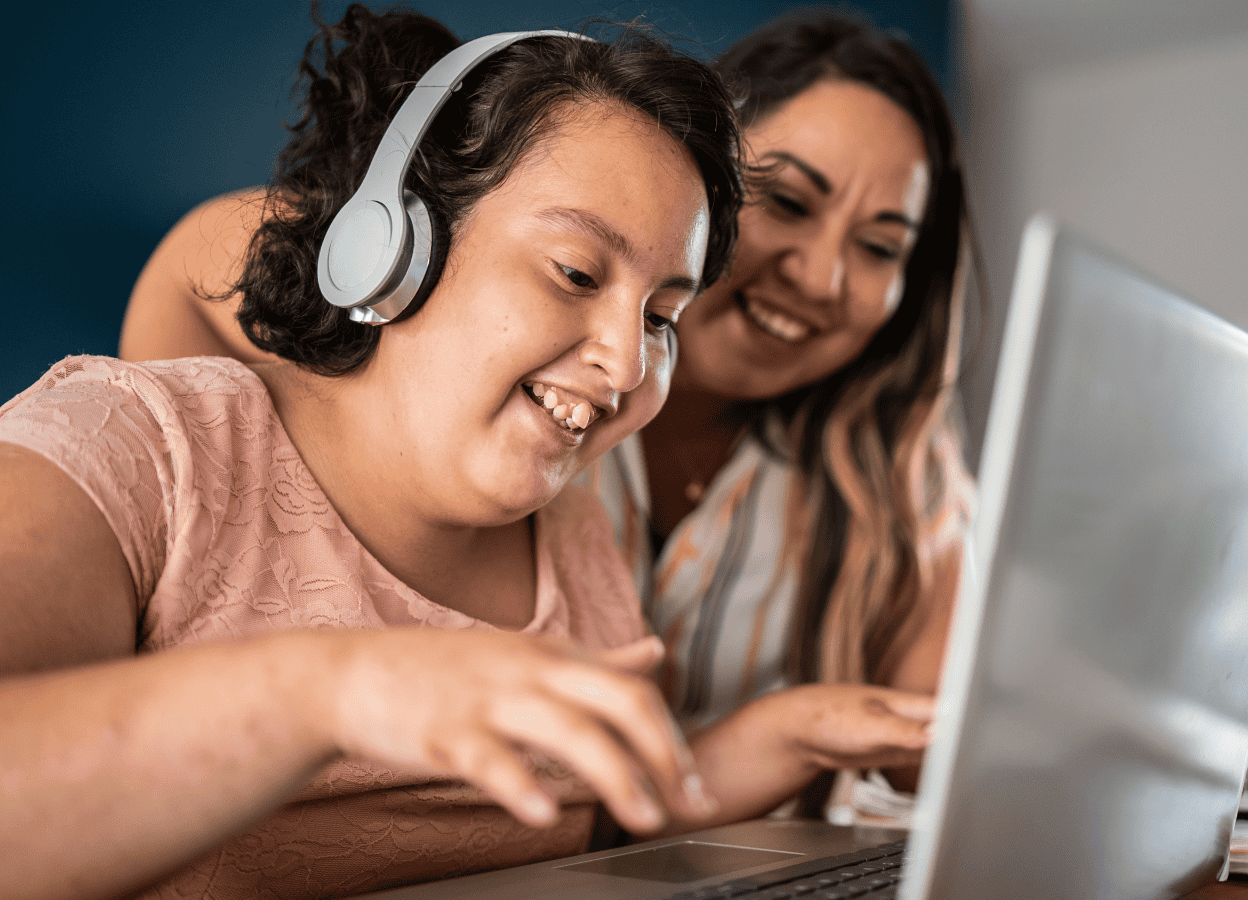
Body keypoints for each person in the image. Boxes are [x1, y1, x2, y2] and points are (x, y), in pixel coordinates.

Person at [120, 7, 971, 819]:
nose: (822, 276)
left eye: (880, 247)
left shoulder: (890, 471)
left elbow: (926, 753)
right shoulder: (463, 380)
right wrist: (177, 520)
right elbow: (217, 271)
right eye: (787, 203)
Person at [0, 7, 760, 899]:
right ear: (395, 247)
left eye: (661, 317)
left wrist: (788, 738)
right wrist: (338, 689)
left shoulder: (575, 537)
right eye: (577, 274)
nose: (628, 364)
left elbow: (596, 840)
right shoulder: (131, 447)